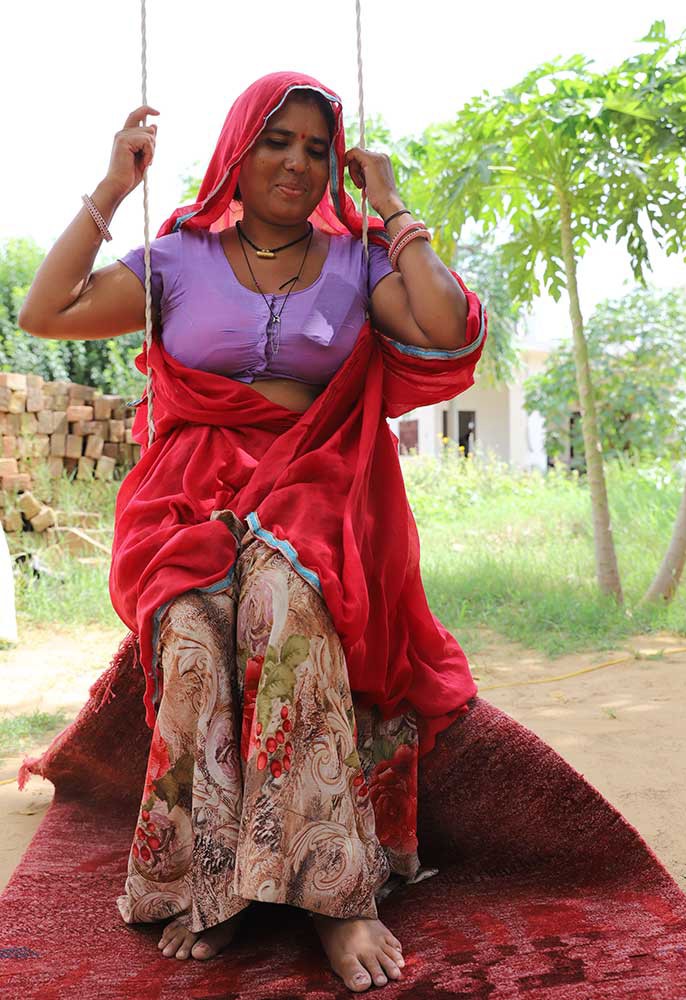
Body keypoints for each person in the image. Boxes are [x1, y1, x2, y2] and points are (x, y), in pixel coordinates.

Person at [18, 71, 487, 993]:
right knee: (191, 634)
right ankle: (211, 881)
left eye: (318, 148)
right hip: (187, 495)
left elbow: (447, 329)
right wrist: (113, 186)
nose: (298, 163)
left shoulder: (357, 262)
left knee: (284, 606)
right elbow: (46, 312)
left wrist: (391, 205)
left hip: (317, 481)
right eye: (278, 140)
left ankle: (335, 894)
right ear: (239, 148)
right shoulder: (179, 259)